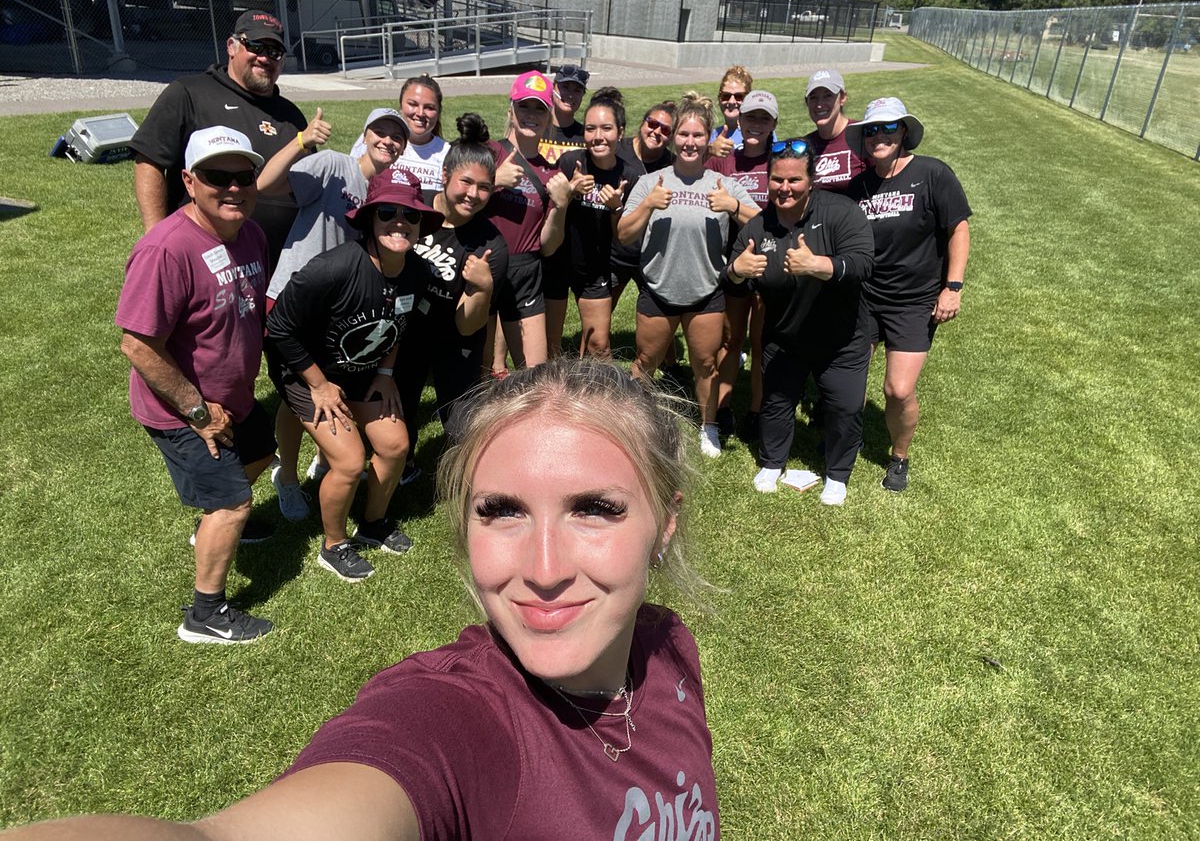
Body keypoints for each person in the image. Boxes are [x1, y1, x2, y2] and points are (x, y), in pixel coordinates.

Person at [5, 359, 720, 839]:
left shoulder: (667, 649)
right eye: (500, 510)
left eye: (595, 508)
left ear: (667, 521)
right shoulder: (456, 723)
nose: (541, 569)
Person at [115, 126, 275, 644]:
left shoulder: (249, 231)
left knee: (261, 451)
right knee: (233, 503)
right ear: (188, 180)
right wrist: (197, 411)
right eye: (216, 176)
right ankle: (204, 615)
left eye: (243, 175)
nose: (233, 187)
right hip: (181, 407)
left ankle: (213, 524)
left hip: (236, 398)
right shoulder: (166, 249)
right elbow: (137, 345)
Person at [265, 169, 446, 582]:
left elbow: (395, 325)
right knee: (348, 461)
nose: (399, 222)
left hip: (362, 368)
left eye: (410, 215)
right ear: (369, 218)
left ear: (421, 224)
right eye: (387, 212)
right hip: (305, 369)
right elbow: (279, 329)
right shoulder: (332, 268)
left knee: (396, 445)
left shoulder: (416, 272)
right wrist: (318, 384)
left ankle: (372, 524)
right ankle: (333, 544)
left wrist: (385, 372)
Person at [258, 107, 409, 521]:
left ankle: (327, 459)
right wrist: (302, 141)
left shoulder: (384, 195)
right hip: (294, 300)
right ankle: (286, 478)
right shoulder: (333, 165)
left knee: (329, 387)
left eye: (398, 138)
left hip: (339, 309)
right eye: (381, 131)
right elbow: (265, 185)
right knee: (296, 398)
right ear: (366, 133)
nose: (388, 141)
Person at [727, 138, 875, 506]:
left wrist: (821, 266)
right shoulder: (757, 228)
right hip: (785, 336)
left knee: (844, 408)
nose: (785, 188)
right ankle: (772, 462)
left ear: (812, 180)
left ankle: (838, 475)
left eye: (794, 180)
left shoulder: (842, 212)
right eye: (777, 180)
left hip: (842, 337)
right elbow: (728, 274)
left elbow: (863, 263)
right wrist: (735, 271)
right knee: (776, 403)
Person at [618, 92, 759, 459]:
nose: (690, 142)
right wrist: (648, 205)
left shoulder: (721, 185)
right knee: (645, 361)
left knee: (706, 364)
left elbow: (762, 225)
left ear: (708, 139)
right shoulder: (653, 182)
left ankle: (708, 424)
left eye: (698, 136)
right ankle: (631, 421)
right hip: (659, 291)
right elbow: (624, 233)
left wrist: (733, 206)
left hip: (706, 293)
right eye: (683, 134)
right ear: (674, 137)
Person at [846, 97, 972, 492]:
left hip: (913, 300)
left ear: (903, 132)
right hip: (864, 296)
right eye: (871, 130)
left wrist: (952, 288)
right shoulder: (859, 186)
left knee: (897, 390)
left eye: (887, 128)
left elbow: (959, 228)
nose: (878, 136)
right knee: (849, 380)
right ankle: (849, 438)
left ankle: (899, 456)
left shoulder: (932, 173)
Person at [129, 10, 307, 271]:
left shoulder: (292, 116)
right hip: (205, 259)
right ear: (231, 46)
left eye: (275, 51)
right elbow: (149, 160)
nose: (265, 57)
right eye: (256, 46)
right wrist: (155, 236)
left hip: (280, 263)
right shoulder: (190, 92)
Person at [400, 113, 508, 446]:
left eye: (484, 187)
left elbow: (468, 326)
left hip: (455, 341)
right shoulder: (413, 210)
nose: (473, 194)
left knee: (462, 432)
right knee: (396, 418)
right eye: (466, 182)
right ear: (445, 174)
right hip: (407, 331)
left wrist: (483, 288)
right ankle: (402, 464)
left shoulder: (492, 245)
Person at [484, 71, 575, 372]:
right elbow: (455, 205)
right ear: (510, 109)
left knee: (536, 373)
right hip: (482, 265)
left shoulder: (550, 173)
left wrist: (560, 206)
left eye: (539, 109)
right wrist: (492, 181)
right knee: (479, 374)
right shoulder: (487, 153)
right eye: (524, 106)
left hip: (525, 272)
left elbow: (549, 247)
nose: (531, 115)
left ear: (549, 117)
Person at [545, 87, 641, 359]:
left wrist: (616, 208)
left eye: (606, 128)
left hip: (595, 267)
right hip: (559, 263)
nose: (598, 136)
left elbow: (623, 236)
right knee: (551, 346)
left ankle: (597, 398)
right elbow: (548, 215)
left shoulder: (629, 176)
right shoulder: (569, 162)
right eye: (590, 128)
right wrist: (569, 192)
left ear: (620, 132)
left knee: (599, 345)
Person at [707, 89, 778, 442]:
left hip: (769, 261)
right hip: (731, 260)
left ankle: (757, 411)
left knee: (762, 339)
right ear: (739, 119)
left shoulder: (778, 162)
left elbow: (776, 219)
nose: (756, 125)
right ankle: (722, 408)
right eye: (750, 117)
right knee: (730, 339)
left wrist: (735, 206)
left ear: (773, 125)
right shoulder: (724, 160)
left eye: (764, 119)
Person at [610, 100, 676, 311]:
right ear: (642, 123)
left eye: (665, 130)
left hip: (651, 255)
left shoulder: (672, 164)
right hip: (615, 254)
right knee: (597, 323)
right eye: (652, 123)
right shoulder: (618, 152)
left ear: (672, 137)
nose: (656, 131)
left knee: (662, 322)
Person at [351, 74, 448, 202]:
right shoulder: (374, 139)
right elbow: (352, 181)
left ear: (439, 111)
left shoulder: (447, 153)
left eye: (429, 108)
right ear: (401, 106)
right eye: (413, 104)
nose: (420, 113)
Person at [802, 68, 867, 193]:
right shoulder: (804, 146)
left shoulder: (862, 133)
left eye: (828, 96)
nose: (819, 104)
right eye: (813, 98)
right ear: (807, 102)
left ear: (843, 98)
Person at [538, 63, 589, 165]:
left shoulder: (586, 136)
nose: (570, 95)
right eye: (565, 87)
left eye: (577, 90)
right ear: (553, 88)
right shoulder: (535, 129)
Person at [707, 65, 753, 159]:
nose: (731, 102)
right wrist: (709, 152)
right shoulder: (710, 136)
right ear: (719, 99)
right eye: (726, 96)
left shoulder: (760, 131)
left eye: (739, 96)